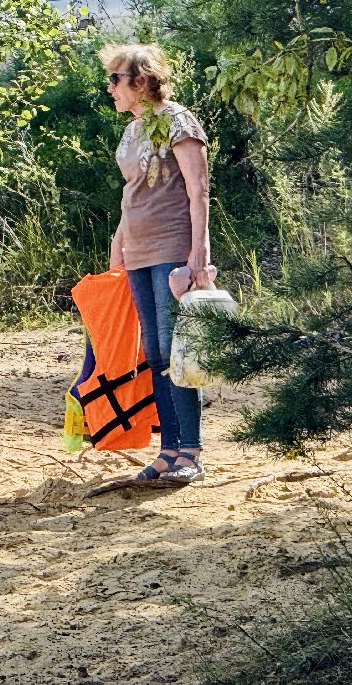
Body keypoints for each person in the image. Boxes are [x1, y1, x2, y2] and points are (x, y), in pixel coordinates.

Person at [102, 42, 213, 482]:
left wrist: (198, 253)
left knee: (175, 350)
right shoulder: (133, 129)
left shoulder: (177, 121)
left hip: (172, 248)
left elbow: (198, 188)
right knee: (153, 352)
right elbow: (133, 191)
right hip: (139, 251)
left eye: (115, 79)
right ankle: (168, 449)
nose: (110, 88)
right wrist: (118, 241)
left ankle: (191, 451)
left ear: (141, 80)